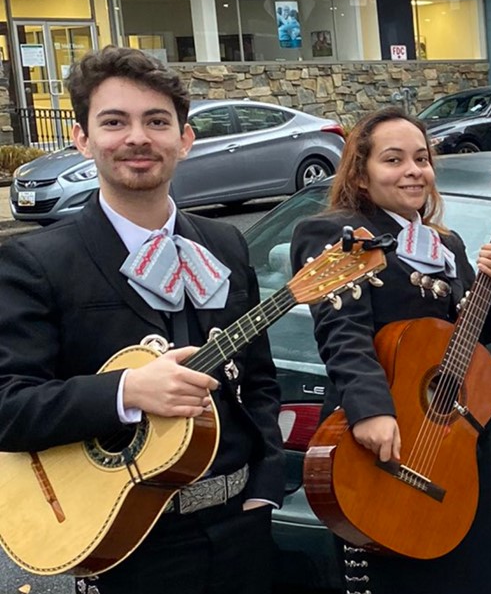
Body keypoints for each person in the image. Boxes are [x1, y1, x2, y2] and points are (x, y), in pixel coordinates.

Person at [0, 46, 284, 593]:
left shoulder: (225, 244)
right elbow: (8, 405)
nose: (137, 138)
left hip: (242, 526)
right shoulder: (37, 262)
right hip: (130, 542)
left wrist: (266, 482)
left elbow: (260, 377)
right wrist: (126, 391)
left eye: (157, 121)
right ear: (82, 139)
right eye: (114, 122)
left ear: (184, 139)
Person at [289, 107, 491, 594]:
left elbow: (467, 339)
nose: (413, 171)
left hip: (450, 450)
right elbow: (342, 332)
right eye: (394, 160)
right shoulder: (341, 235)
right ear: (360, 171)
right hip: (384, 446)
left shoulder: (445, 243)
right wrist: (371, 411)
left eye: (421, 158)